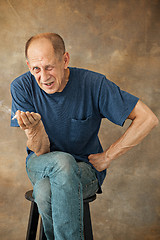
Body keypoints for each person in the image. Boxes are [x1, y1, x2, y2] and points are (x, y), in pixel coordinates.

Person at [10, 33, 158, 240]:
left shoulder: (94, 84)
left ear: (65, 60)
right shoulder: (21, 87)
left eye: (50, 67)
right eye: (36, 69)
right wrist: (36, 130)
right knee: (62, 161)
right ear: (28, 66)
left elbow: (148, 118)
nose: (43, 77)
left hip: (85, 169)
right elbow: (41, 151)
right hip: (40, 163)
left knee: (45, 190)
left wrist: (107, 156)